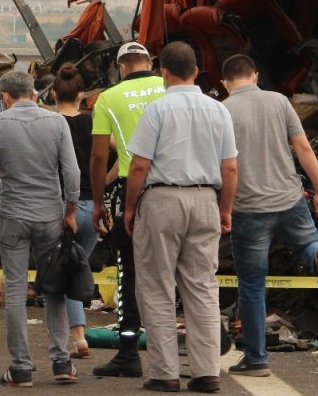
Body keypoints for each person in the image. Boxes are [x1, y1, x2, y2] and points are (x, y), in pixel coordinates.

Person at [123, 41, 237, 394]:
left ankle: (164, 373)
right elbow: (230, 167)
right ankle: (206, 373)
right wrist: (225, 208)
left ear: (164, 72)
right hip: (205, 198)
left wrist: (130, 207)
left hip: (162, 199)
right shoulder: (219, 110)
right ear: (196, 71)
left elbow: (140, 164)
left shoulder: (158, 109)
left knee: (157, 286)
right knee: (202, 287)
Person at [219, 54, 318, 378]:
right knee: (308, 241)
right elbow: (303, 147)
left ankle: (257, 359)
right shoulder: (279, 102)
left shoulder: (223, 110)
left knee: (253, 285)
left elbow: (226, 166)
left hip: (249, 208)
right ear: (255, 75)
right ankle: (317, 254)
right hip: (289, 199)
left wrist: (225, 208)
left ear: (224, 83)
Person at [0, 70, 80, 387]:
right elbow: (71, 172)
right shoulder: (56, 122)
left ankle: (20, 367)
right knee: (54, 288)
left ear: (5, 97)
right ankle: (61, 362)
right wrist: (70, 210)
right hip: (49, 214)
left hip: (12, 215)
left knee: (16, 291)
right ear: (34, 94)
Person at [89, 41, 166, 378]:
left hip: (130, 191)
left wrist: (96, 201)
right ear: (150, 62)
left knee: (130, 272)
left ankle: (128, 352)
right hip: (178, 185)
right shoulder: (169, 88)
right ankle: (197, 349)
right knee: (182, 272)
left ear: (120, 67)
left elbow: (99, 155)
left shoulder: (109, 98)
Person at [51, 64, 98, 359]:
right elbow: (120, 155)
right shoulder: (93, 124)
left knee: (65, 273)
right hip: (92, 206)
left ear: (53, 93)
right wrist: (101, 182)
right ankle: (76, 333)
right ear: (82, 94)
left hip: (62, 206)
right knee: (78, 267)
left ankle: (77, 337)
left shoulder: (50, 124)